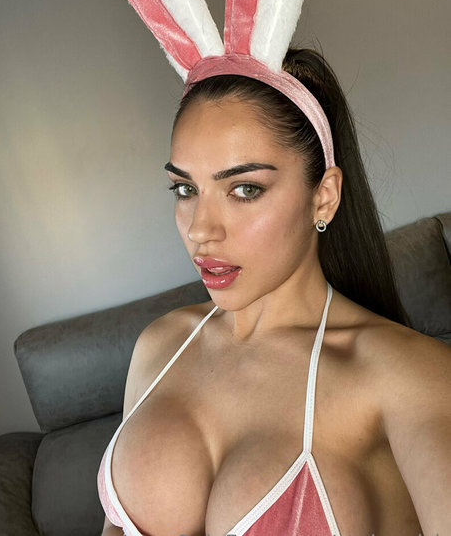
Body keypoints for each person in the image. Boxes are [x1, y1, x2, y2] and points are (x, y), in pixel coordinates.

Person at [97, 47, 451, 536]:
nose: (200, 230)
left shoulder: (408, 377)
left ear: (323, 196)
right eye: (186, 189)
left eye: (245, 189)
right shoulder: (158, 347)